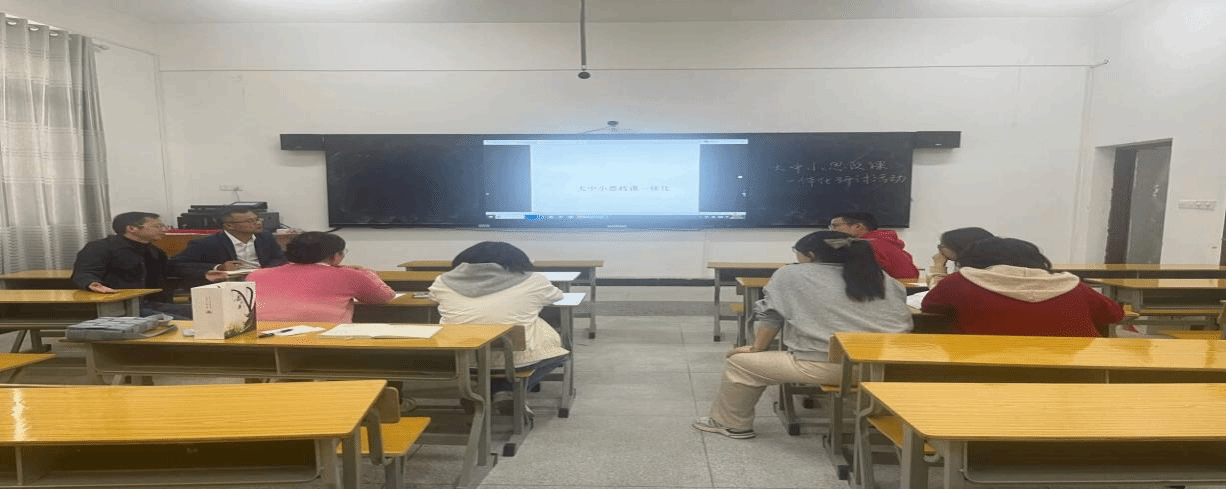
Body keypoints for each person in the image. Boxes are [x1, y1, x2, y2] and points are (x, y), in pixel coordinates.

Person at [694, 230, 913, 439]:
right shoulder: (881, 277)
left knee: (740, 364)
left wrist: (756, 348)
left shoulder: (791, 274)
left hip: (831, 367)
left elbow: (772, 316)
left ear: (810, 255)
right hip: (891, 367)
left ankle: (731, 424)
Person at [428, 242, 569, 411]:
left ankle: (482, 394)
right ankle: (506, 390)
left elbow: (433, 298)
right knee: (560, 353)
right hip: (517, 358)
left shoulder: (442, 281)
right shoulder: (534, 280)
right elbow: (556, 296)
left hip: (461, 358)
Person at [921, 237, 1124, 337]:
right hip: (1077, 376)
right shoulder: (1072, 286)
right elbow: (1114, 314)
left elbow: (930, 305)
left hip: (986, 374)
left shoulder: (962, 281)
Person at [71, 212, 223, 318]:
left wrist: (204, 274)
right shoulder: (101, 247)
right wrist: (92, 283)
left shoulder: (155, 251)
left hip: (154, 304)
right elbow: (84, 272)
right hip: (121, 307)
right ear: (132, 229)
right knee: (186, 321)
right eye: (157, 226)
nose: (164, 230)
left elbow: (172, 273)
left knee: (213, 312)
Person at [246, 231, 394, 323]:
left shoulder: (256, 275)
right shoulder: (349, 275)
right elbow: (383, 297)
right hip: (325, 341)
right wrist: (368, 272)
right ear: (335, 256)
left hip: (257, 340)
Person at [170, 207, 288, 287]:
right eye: (249, 221)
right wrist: (218, 267)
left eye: (257, 219)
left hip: (263, 280)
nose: (257, 223)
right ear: (229, 226)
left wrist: (267, 270)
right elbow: (177, 264)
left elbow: (280, 257)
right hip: (230, 284)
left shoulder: (265, 237)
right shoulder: (208, 243)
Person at [828, 211, 919, 280]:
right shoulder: (888, 243)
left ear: (858, 226)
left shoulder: (863, 246)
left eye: (834, 226)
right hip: (904, 293)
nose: (831, 230)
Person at [926, 227, 994, 287]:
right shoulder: (991, 271)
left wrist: (938, 266)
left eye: (942, 246)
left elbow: (939, 292)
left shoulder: (970, 275)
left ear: (957, 248)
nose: (940, 250)